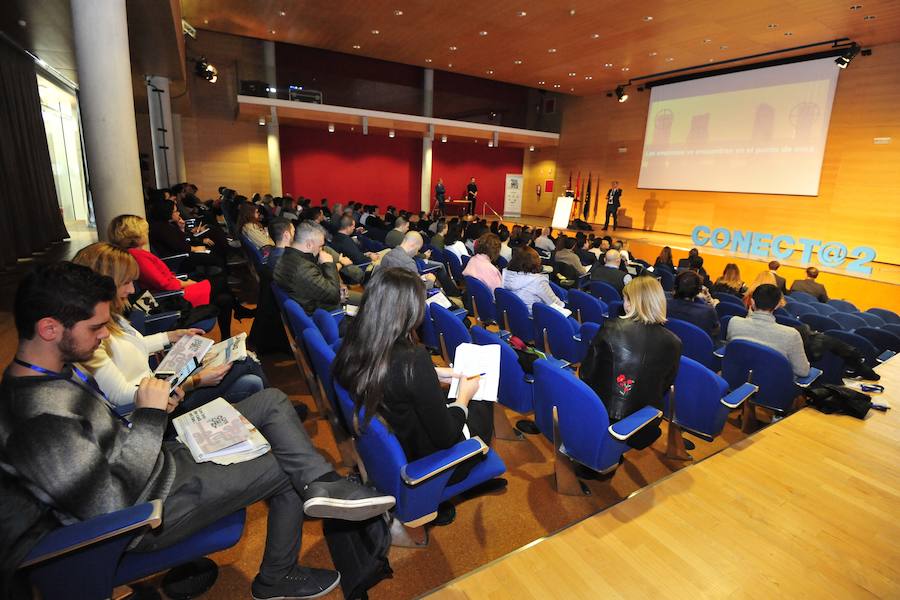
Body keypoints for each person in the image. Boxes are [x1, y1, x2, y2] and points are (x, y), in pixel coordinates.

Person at [0, 262, 396, 600]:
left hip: (157, 462)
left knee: (271, 401)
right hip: (149, 510)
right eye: (96, 326)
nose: (105, 335)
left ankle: (322, 483)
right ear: (50, 328)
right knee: (282, 468)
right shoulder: (38, 420)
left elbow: (105, 445)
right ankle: (277, 574)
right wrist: (151, 419)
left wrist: (148, 413)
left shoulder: (57, 374)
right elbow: (110, 507)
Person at [332, 267, 493, 523]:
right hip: (425, 455)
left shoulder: (353, 337)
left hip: (395, 437)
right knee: (482, 403)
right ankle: (465, 473)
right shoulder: (411, 360)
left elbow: (388, 373)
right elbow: (446, 437)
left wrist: (431, 373)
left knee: (459, 397)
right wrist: (464, 397)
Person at [72, 243, 267, 413]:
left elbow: (134, 346)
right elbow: (121, 396)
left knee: (251, 381)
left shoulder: (110, 316)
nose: (132, 290)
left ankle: (267, 414)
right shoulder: (90, 337)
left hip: (161, 389)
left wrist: (172, 336)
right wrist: (194, 381)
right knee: (246, 362)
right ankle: (273, 410)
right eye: (126, 283)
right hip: (158, 408)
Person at [108, 214, 253, 339]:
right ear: (135, 234)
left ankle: (228, 333)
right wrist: (187, 283)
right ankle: (238, 311)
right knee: (221, 281)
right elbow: (165, 284)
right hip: (172, 297)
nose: (147, 233)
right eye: (143, 230)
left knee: (225, 299)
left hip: (173, 291)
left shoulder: (136, 254)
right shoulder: (137, 256)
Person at [580, 276, 681, 448]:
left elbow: (586, 373)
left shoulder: (610, 327)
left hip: (602, 413)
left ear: (632, 302)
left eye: (626, 299)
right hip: (644, 420)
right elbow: (665, 384)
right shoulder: (675, 342)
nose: (624, 303)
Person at [274, 220, 356, 315]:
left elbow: (313, 284)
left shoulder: (286, 256)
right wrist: (329, 263)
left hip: (317, 303)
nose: (321, 250)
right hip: (326, 315)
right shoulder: (302, 267)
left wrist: (337, 287)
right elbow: (334, 296)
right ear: (309, 244)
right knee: (366, 301)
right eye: (320, 246)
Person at [728, 284, 810, 377]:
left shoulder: (734, 322)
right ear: (777, 305)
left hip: (737, 378)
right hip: (772, 388)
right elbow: (803, 371)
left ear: (752, 302)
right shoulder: (791, 335)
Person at [501, 246, 566, 314]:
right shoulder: (538, 281)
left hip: (514, 317)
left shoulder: (506, 274)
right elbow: (555, 304)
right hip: (535, 319)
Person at [666, 270, 721, 340]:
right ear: (698, 291)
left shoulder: (663, 304)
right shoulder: (708, 311)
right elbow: (715, 332)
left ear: (675, 287)